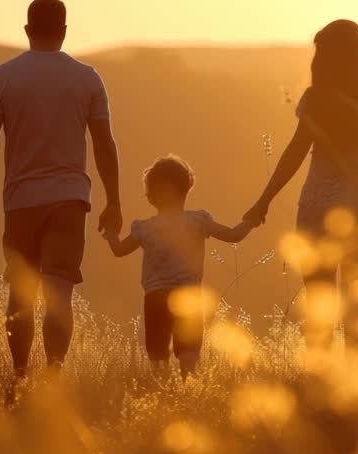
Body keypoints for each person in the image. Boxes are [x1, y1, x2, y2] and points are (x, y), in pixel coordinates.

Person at [0, 0, 123, 383]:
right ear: (65, 31)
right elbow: (105, 143)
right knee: (59, 292)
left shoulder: (2, 78)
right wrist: (114, 200)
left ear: (26, 30)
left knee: (21, 294)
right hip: (70, 200)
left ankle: (20, 377)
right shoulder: (87, 78)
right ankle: (53, 378)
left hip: (20, 201)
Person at [243, 19, 358, 348]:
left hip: (317, 208)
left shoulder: (315, 101)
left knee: (319, 305)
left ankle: (321, 388)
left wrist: (264, 200)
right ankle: (357, 390)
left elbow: (294, 154)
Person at [104, 155, 253, 377]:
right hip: (189, 297)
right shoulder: (197, 221)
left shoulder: (144, 228)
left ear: (152, 194)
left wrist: (110, 232)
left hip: (155, 297)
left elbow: (119, 250)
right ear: (185, 188)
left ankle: (162, 395)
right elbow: (233, 236)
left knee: (158, 353)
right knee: (189, 350)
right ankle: (188, 389)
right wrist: (251, 220)